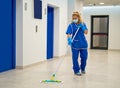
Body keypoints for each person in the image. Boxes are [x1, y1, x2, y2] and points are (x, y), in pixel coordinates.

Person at [66, 11, 88, 76]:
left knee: (84, 57)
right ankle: (76, 70)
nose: (74, 19)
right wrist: (69, 39)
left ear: (79, 18)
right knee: (75, 58)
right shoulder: (71, 25)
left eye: (75, 18)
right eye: (73, 18)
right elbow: (68, 33)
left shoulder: (83, 24)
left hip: (83, 44)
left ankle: (82, 68)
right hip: (75, 44)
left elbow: (86, 32)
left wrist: (82, 27)